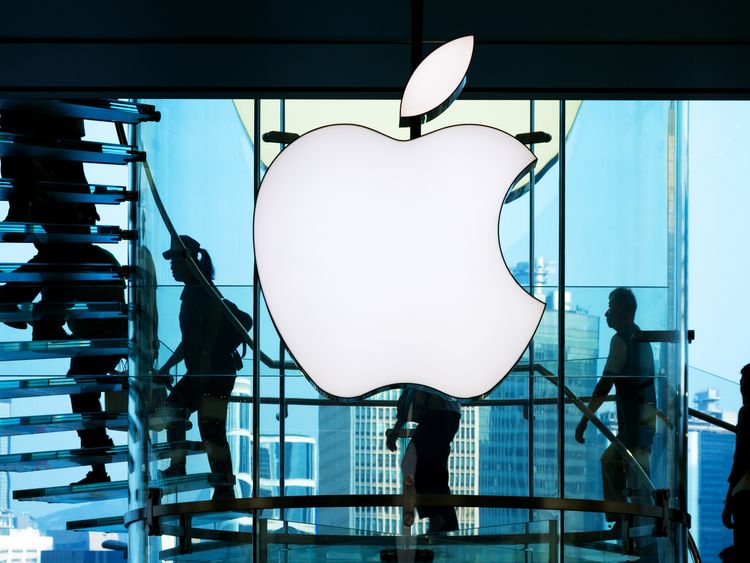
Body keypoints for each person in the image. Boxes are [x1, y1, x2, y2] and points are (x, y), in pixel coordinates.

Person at [0, 243, 126, 485]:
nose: (37, 247)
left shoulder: (74, 259)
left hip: (100, 338)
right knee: (83, 398)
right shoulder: (86, 258)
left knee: (83, 398)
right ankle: (98, 464)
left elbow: (58, 292)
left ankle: (98, 465)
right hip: (100, 338)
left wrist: (46, 323)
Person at [155, 235, 240, 500]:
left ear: (189, 261)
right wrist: (168, 365)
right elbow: (189, 340)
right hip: (207, 373)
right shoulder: (194, 291)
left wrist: (204, 356)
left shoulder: (201, 290)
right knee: (188, 416)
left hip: (212, 374)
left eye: (175, 261)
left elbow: (214, 319)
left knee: (207, 424)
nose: (171, 267)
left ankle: (222, 486)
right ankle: (190, 472)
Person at [575, 287, 656, 524]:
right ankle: (639, 521)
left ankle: (621, 518)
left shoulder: (620, 340)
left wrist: (584, 420)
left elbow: (604, 384)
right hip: (645, 420)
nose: (606, 313)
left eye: (611, 307)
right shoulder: (640, 337)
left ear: (622, 310)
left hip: (634, 421)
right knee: (637, 472)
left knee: (611, 460)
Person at [386, 387, 461, 533]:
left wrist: (396, 431)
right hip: (445, 415)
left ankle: (440, 519)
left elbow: (417, 391)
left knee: (416, 465)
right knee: (433, 469)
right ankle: (442, 520)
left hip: (438, 415)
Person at [722, 364, 750, 559]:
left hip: (746, 492)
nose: (740, 388)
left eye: (743, 384)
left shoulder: (747, 413)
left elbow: (741, 458)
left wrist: (729, 500)